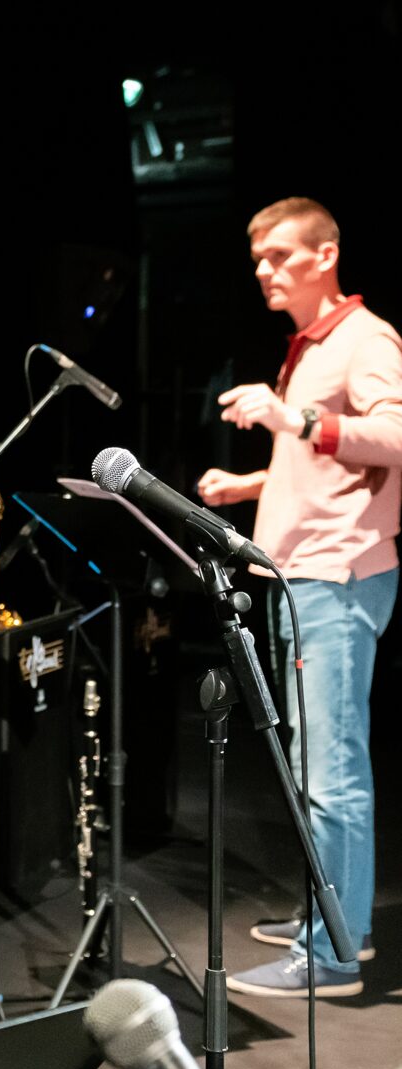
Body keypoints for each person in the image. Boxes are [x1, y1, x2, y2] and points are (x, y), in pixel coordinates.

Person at [196, 197, 402, 998]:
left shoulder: (364, 338)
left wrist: (294, 417)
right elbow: (326, 461)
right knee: (313, 763)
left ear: (325, 256)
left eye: (279, 255)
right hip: (301, 575)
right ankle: (336, 918)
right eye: (257, 259)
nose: (263, 270)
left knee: (331, 770)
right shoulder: (312, 345)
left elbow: (396, 435)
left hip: (336, 577)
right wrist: (252, 483)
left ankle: (333, 954)